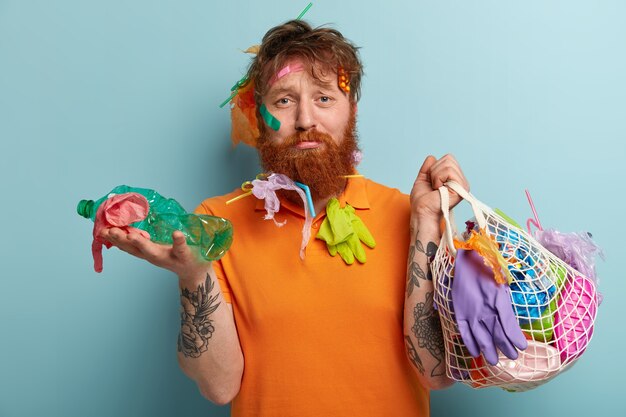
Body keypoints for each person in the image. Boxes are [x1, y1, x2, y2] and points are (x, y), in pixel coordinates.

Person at [100, 20, 470, 417]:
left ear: (352, 113)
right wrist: (193, 275)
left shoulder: (409, 215)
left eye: (325, 98)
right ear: (260, 119)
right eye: (283, 101)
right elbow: (219, 386)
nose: (306, 119)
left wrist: (428, 224)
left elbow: (436, 373)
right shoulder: (214, 224)